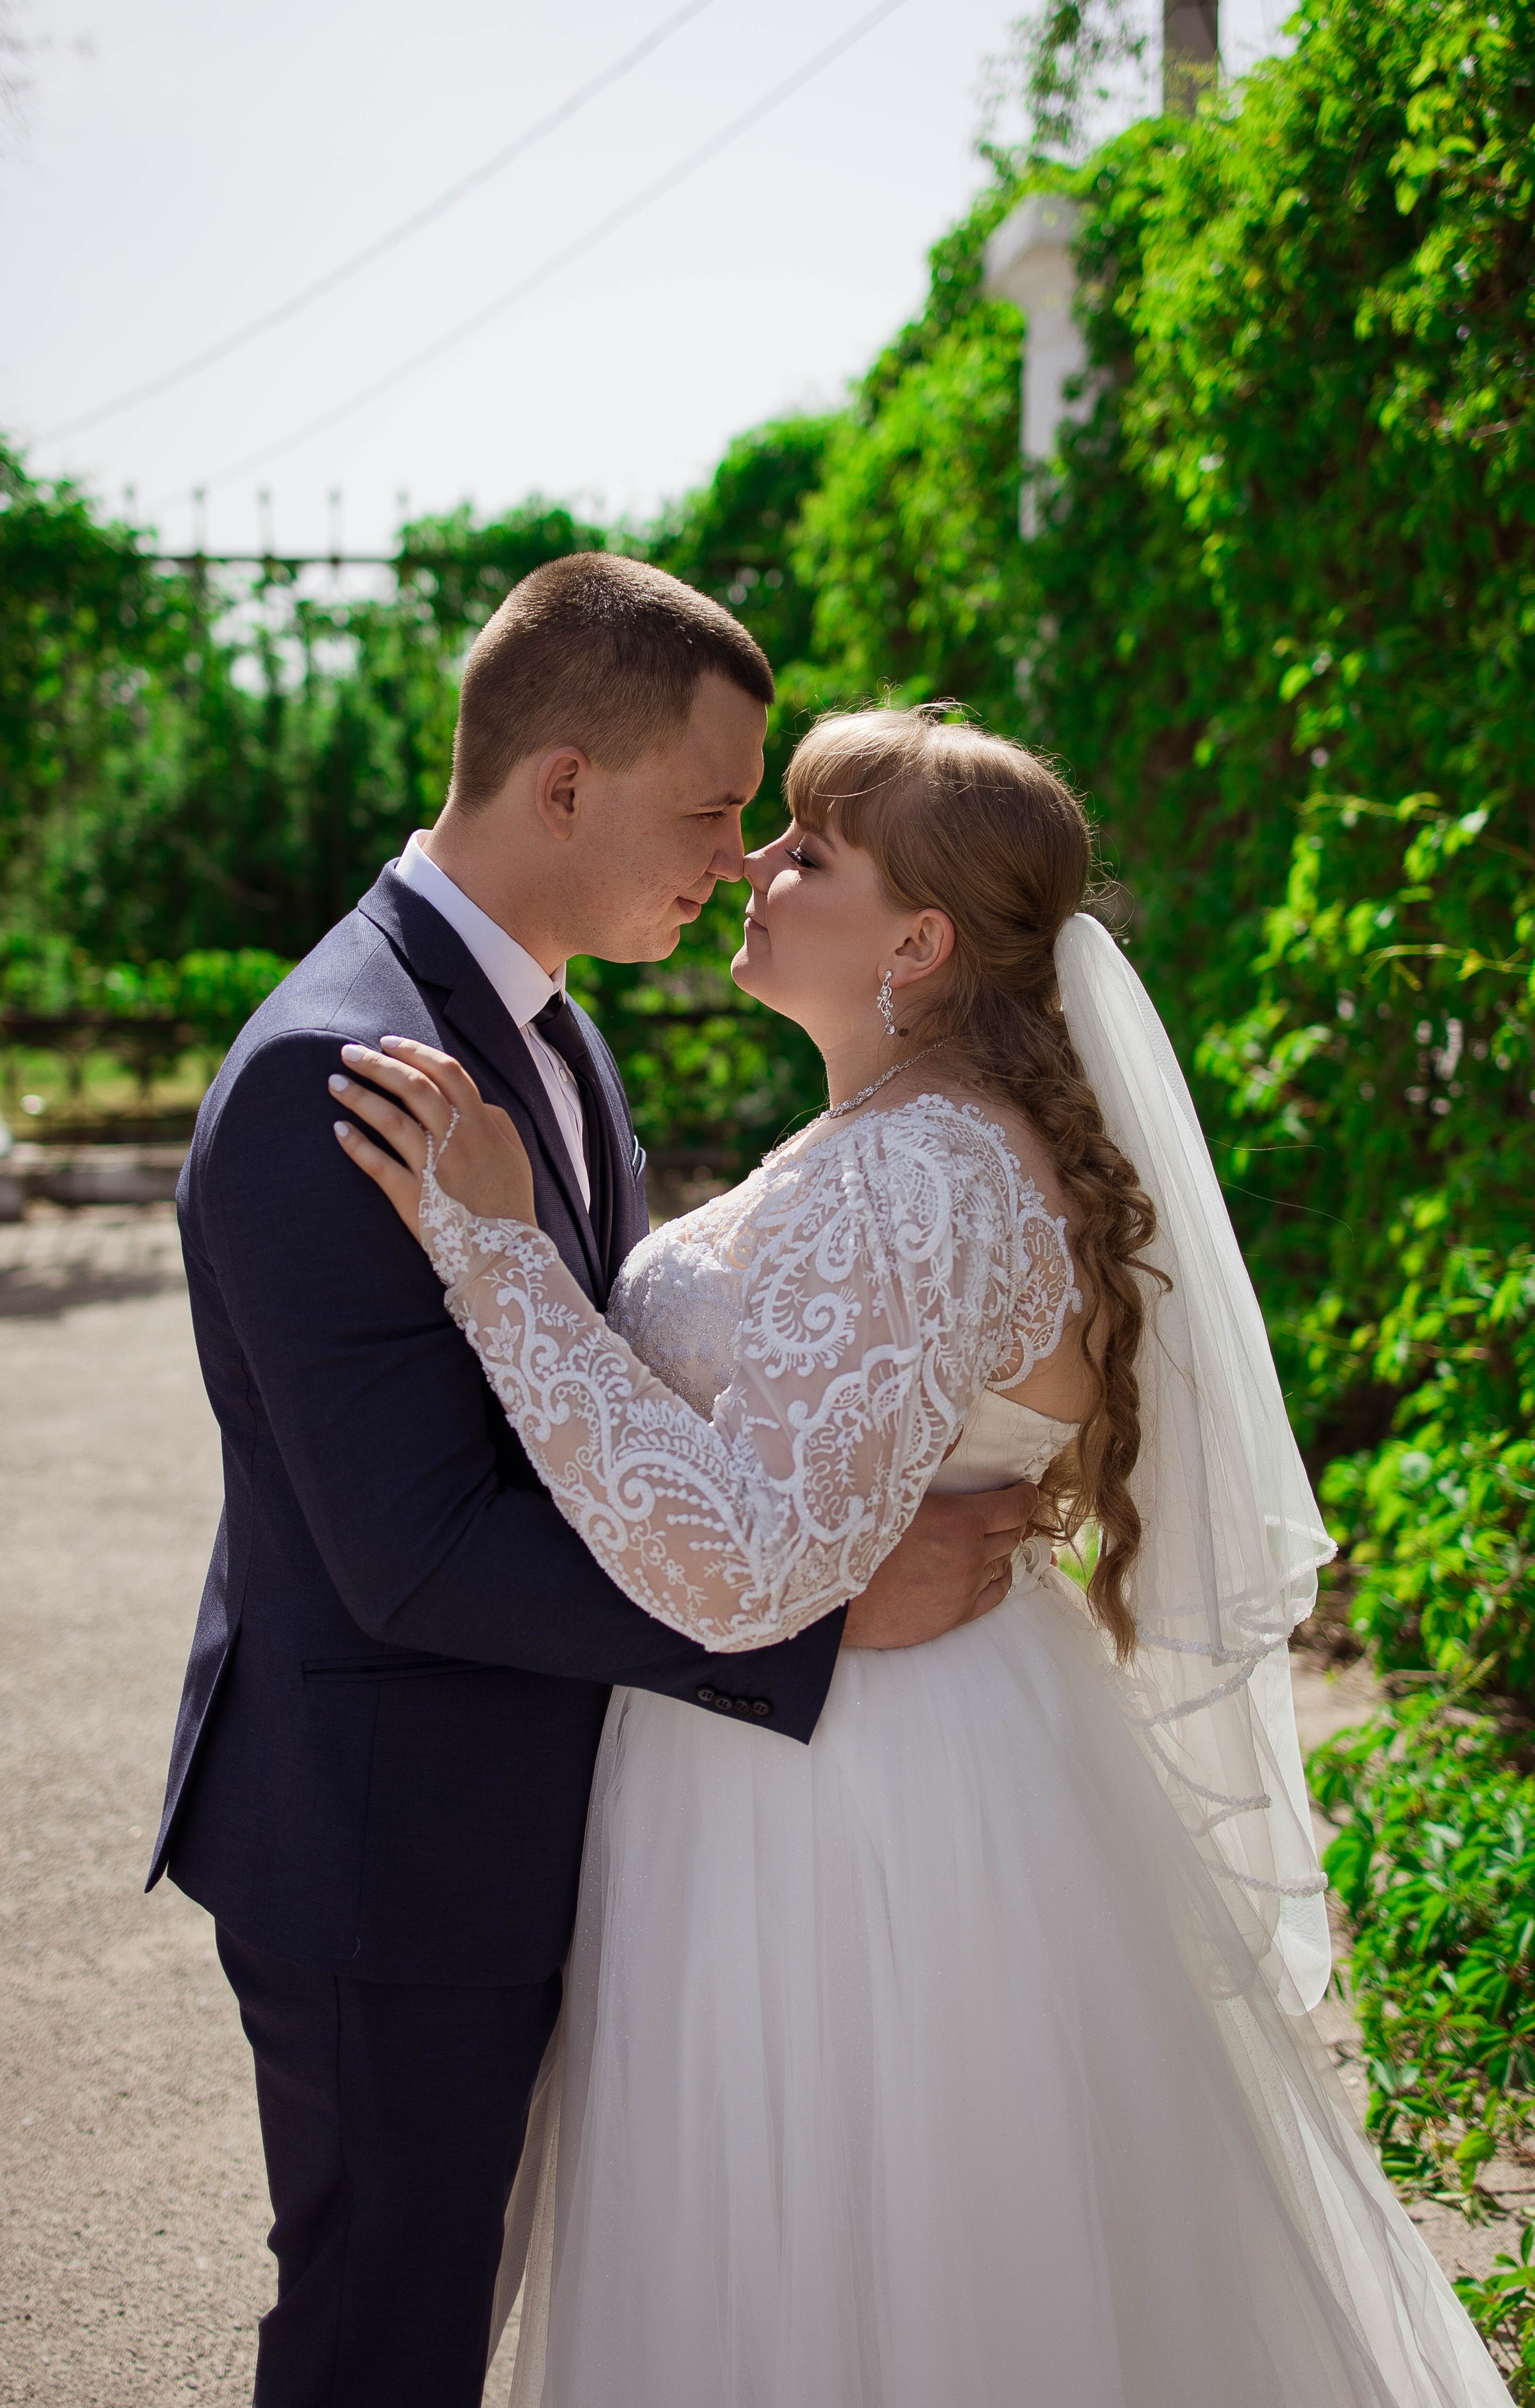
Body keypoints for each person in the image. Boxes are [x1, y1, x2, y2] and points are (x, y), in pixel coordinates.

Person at [333, 705, 1512, 2408]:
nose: (753, 861)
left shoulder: (920, 1176)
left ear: (919, 939)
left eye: (806, 849)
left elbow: (748, 1565)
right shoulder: (903, 1140)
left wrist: (493, 1252)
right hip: (860, 1745)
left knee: (858, 2239)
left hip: (846, 1803)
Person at [148, 560, 1030, 2408]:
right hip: (398, 1848)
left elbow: (604, 1394)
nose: (737, 856)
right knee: (385, 2337)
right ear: (566, 784)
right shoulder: (343, 1069)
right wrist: (821, 1611)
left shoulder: (545, 1022)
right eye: (716, 807)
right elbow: (416, 1548)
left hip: (562, 1808)